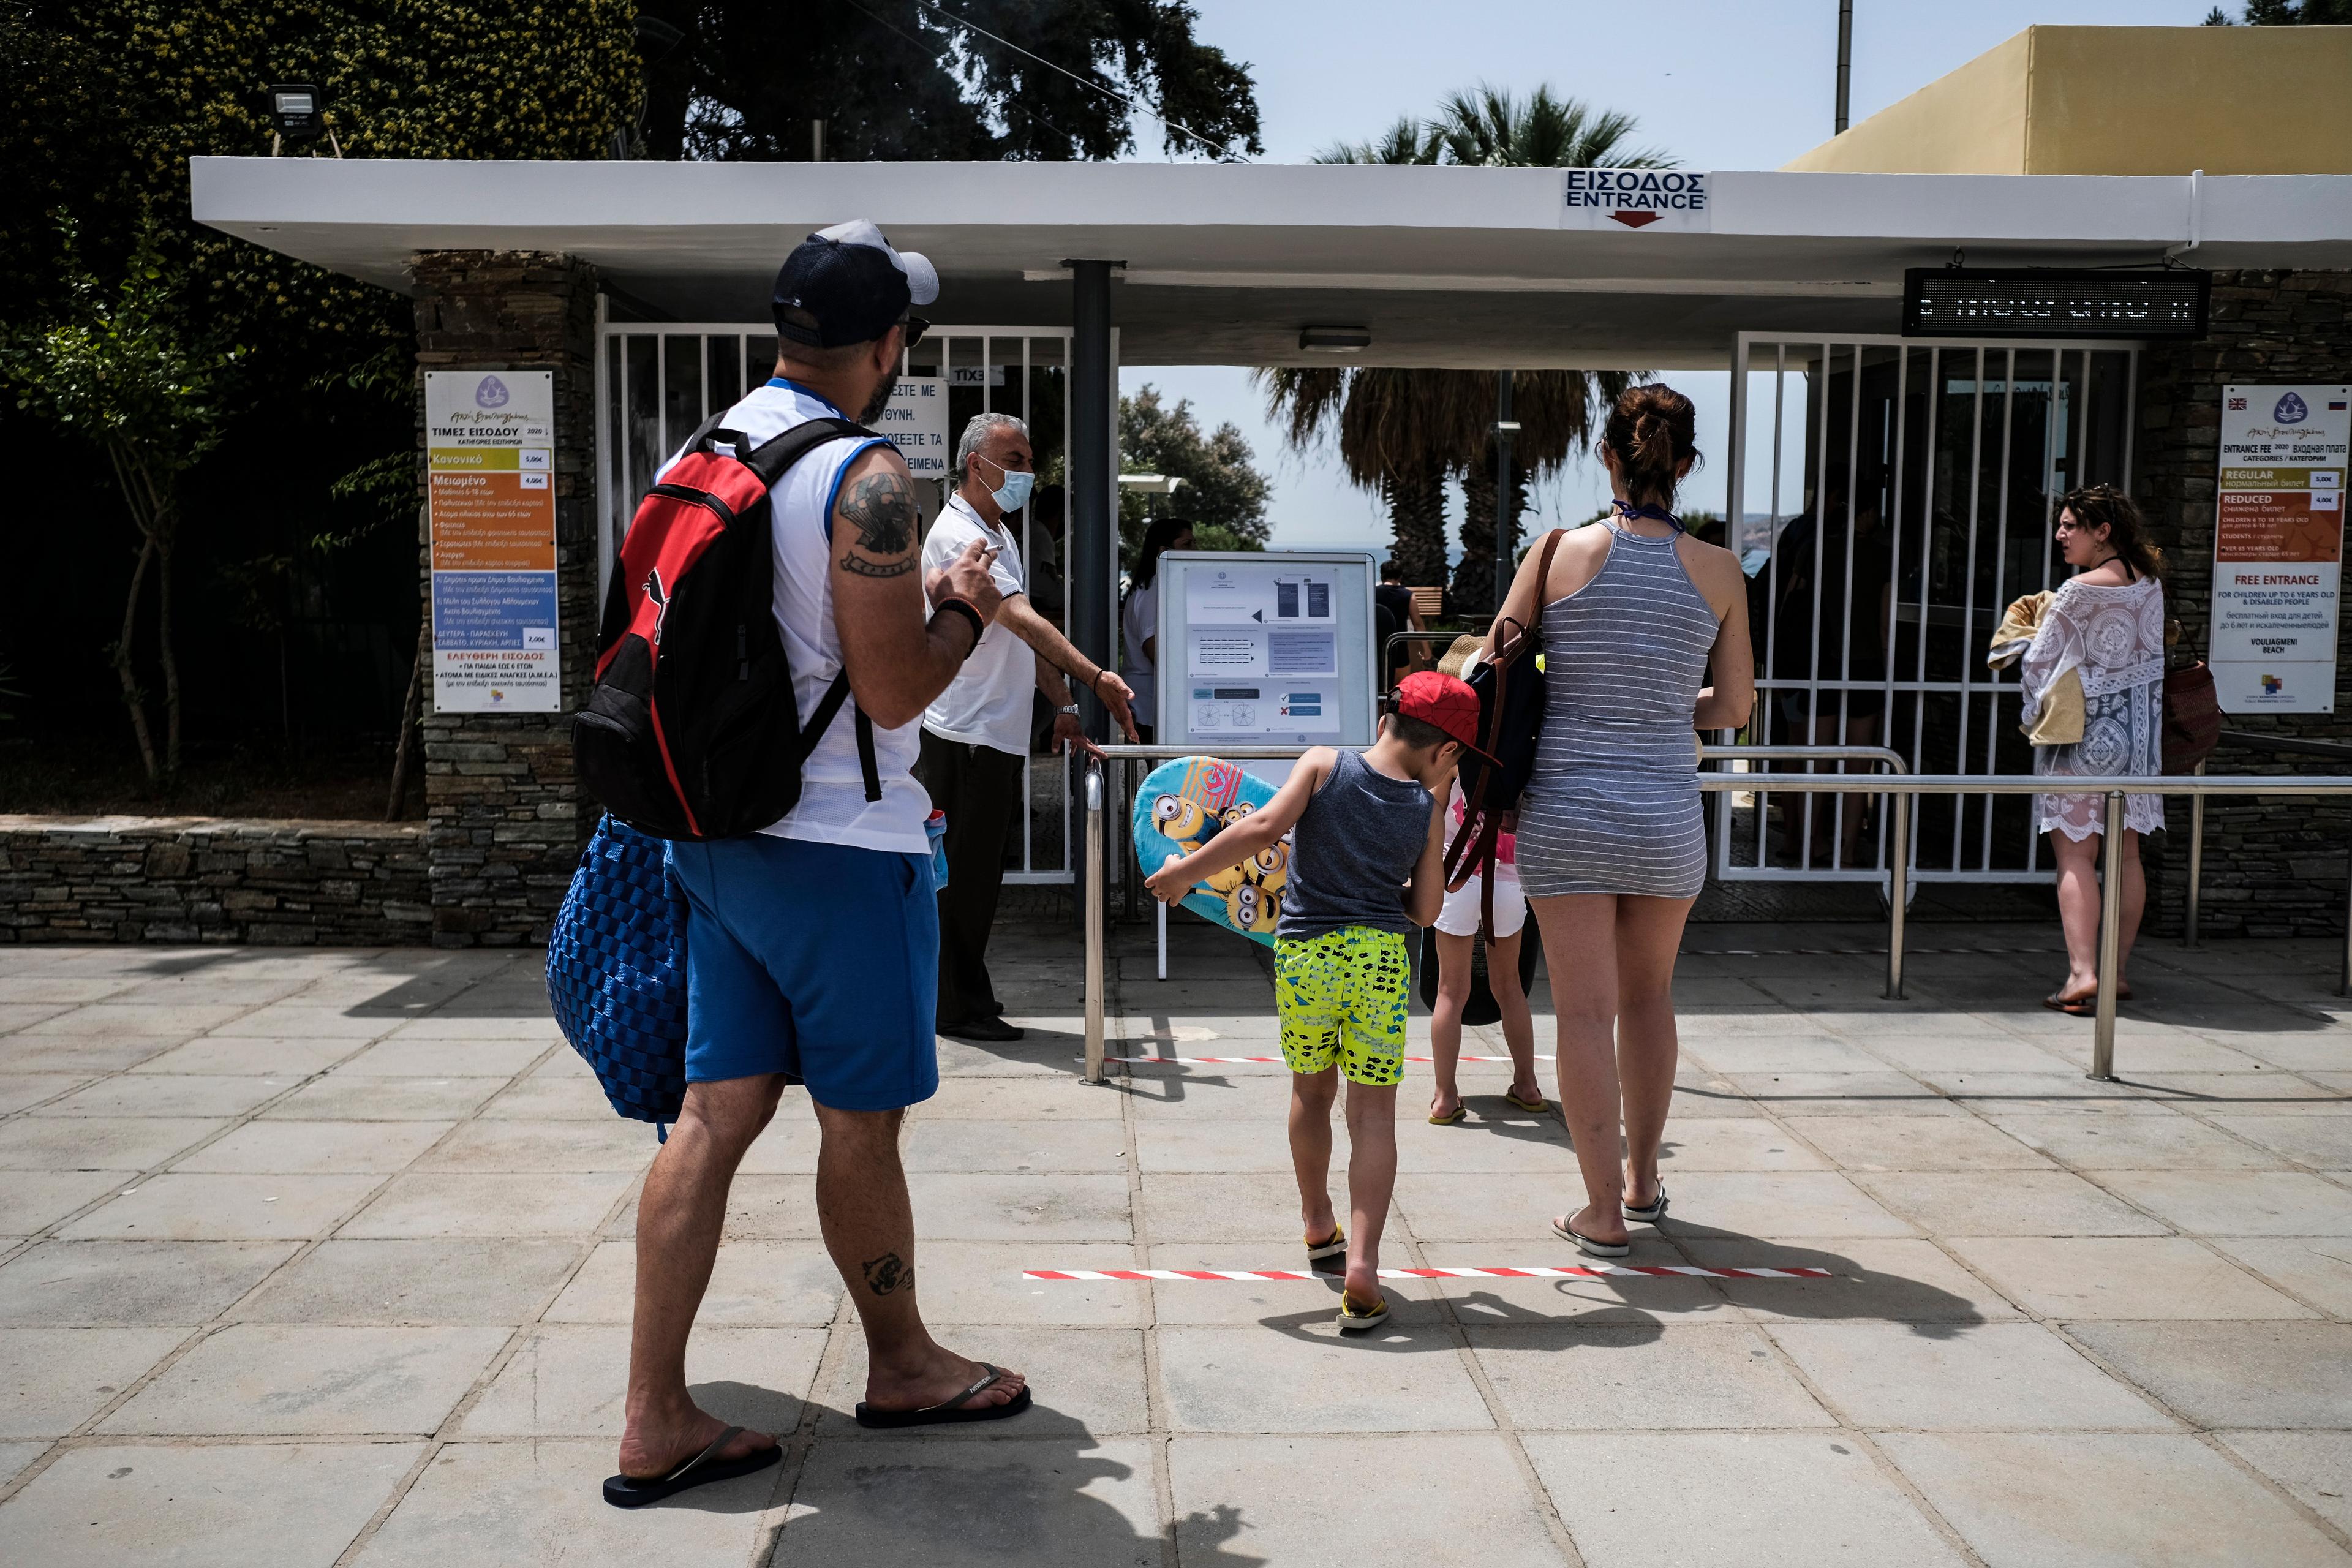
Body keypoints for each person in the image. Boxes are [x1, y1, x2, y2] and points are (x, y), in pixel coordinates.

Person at [614, 221, 1030, 1509]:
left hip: (713, 839)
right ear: (890, 343)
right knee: (861, 1121)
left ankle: (654, 1414)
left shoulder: (709, 446)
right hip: (840, 848)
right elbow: (895, 691)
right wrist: (964, 604)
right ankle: (904, 1363)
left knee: (714, 1115)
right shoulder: (866, 477)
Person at [1500, 383, 1754, 1259]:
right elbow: (1735, 707)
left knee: (1582, 1013)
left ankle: (1600, 1212)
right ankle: (1643, 1183)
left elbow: (1495, 664)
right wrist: (1663, 703)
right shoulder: (1720, 569)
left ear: (1608, 455)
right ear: (1685, 464)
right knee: (1650, 999)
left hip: (1566, 810)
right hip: (1664, 816)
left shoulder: (1555, 552)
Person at [1145, 672, 1472, 1331]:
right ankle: (1365, 1267)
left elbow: (1263, 826)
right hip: (1379, 962)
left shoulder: (1323, 764)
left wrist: (1184, 873)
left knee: (1311, 1091)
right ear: (1444, 753)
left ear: (1384, 722)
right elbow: (1426, 910)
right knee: (1373, 1115)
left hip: (1306, 959)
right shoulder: (1426, 810)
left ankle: (1319, 1222)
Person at [918, 413, 1140, 1044]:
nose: (1026, 472)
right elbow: (1017, 616)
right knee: (962, 876)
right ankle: (953, 1004)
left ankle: (963, 993)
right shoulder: (958, 535)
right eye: (1013, 459)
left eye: (1028, 459)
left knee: (980, 873)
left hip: (994, 731)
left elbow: (1021, 635)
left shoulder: (999, 533)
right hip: (963, 732)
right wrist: (1096, 676)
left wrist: (1063, 703)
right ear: (975, 465)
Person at [2024, 485, 2166, 1015]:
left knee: (2075, 855)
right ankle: (2118, 973)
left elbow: (2039, 665)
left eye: (2070, 526)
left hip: (2082, 737)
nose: (2060, 535)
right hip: (2139, 737)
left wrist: (2030, 706)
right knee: (2127, 855)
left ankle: (2083, 974)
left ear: (2102, 532)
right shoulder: (2150, 583)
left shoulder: (2078, 591)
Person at [1766, 470, 1894, 867]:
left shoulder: (1816, 549)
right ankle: (1848, 849)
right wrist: (1888, 670)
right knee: (1858, 763)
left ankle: (1809, 844)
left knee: (1816, 759)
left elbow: (1789, 607)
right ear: (1868, 512)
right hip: (1866, 666)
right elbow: (1884, 623)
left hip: (1820, 665)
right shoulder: (1882, 555)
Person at [1426, 769, 1545, 1125]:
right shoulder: (1525, 754)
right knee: (1509, 988)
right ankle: (1527, 1086)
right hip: (1508, 879)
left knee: (1450, 990)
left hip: (1457, 875)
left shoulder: (1456, 755)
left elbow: (1432, 811)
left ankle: (1445, 1098)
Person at [1120, 514, 1194, 744]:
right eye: (1187, 544)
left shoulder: (1159, 587)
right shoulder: (1154, 591)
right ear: (1164, 551)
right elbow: (1154, 649)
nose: (1194, 551)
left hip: (1154, 702)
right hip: (1150, 704)